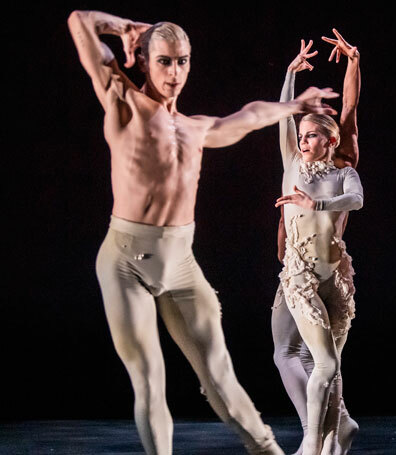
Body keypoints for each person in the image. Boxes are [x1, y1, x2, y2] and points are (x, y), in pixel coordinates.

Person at [68, 10, 338, 455]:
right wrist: (124, 29)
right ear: (144, 61)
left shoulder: (194, 128)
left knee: (219, 376)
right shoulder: (123, 102)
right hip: (125, 261)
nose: (175, 73)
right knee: (150, 376)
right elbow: (79, 21)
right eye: (164, 62)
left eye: (182, 61)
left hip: (181, 263)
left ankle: (269, 451)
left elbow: (248, 116)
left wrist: (293, 106)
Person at [273, 32, 364, 455]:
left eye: (315, 132)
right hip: (295, 269)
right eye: (303, 132)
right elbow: (284, 117)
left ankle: (327, 433)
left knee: (317, 359)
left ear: (332, 139)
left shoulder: (344, 165)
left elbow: (349, 108)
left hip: (328, 271)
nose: (306, 136)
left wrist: (353, 64)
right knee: (305, 356)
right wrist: (290, 72)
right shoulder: (293, 159)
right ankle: (332, 430)